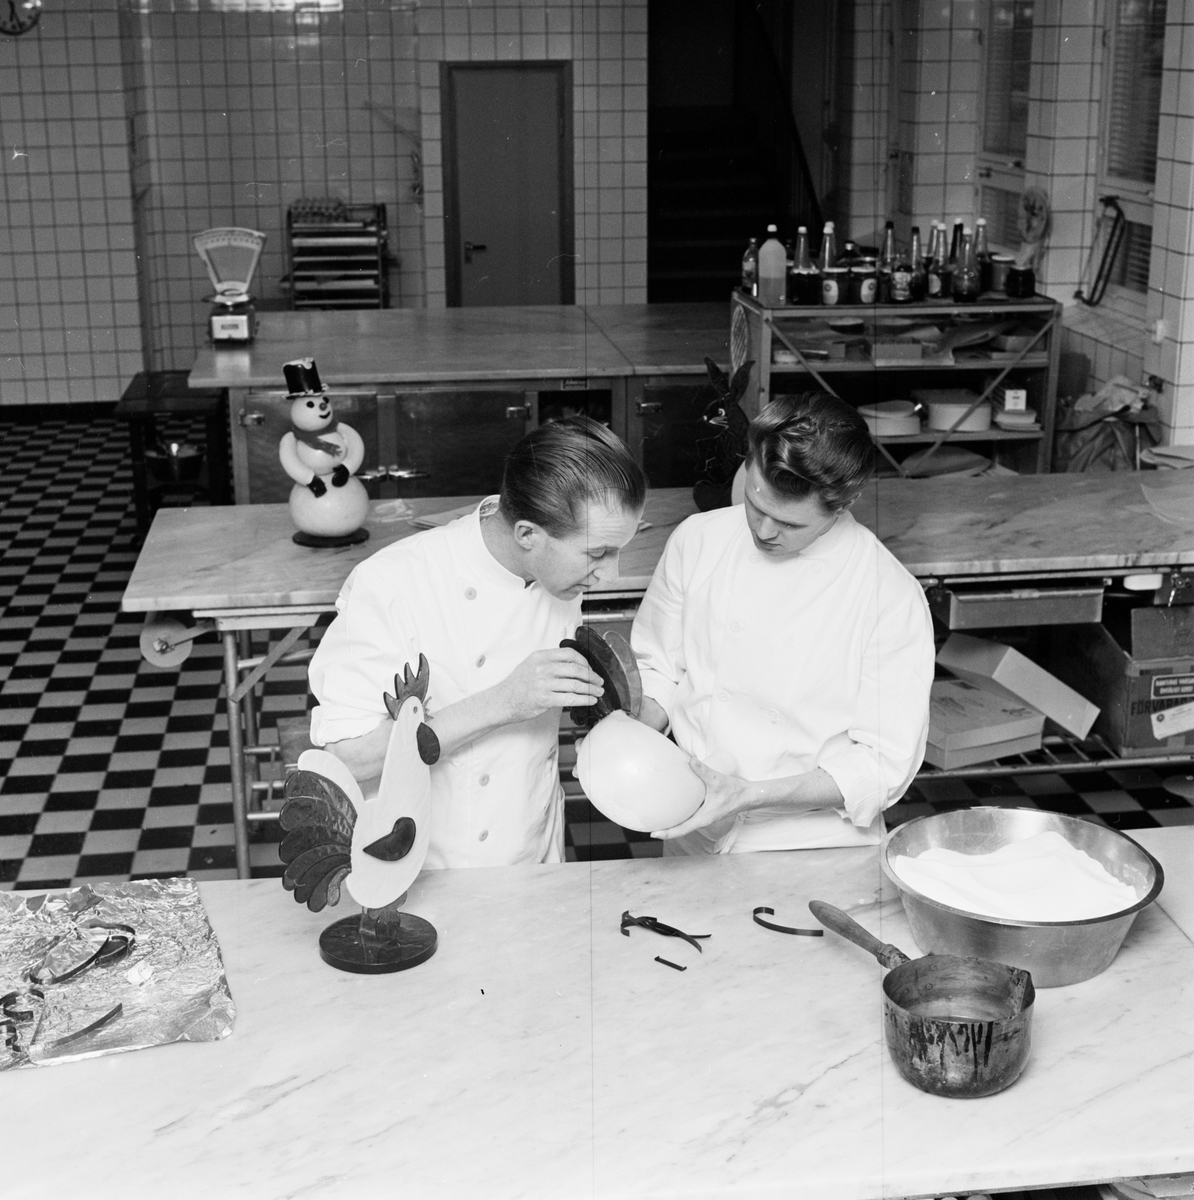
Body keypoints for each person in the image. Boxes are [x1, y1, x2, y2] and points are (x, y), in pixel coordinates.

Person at [308, 416, 647, 869]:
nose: (612, 575)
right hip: (427, 866)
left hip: (534, 857)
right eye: (598, 553)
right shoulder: (394, 584)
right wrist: (503, 701)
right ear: (527, 534)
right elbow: (347, 760)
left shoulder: (557, 573)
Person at [630, 391, 934, 854]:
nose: (764, 532)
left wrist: (751, 795)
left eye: (790, 525)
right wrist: (629, 723)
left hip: (810, 844)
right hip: (692, 822)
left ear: (842, 503)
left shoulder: (886, 594)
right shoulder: (699, 540)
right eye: (756, 505)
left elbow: (882, 763)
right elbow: (660, 668)